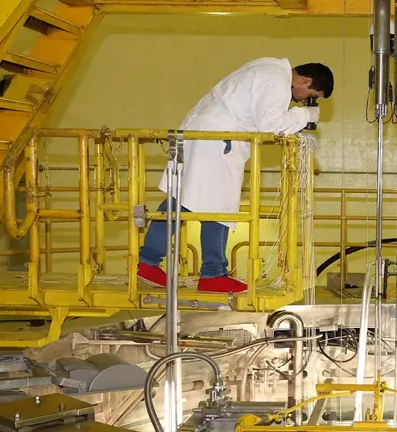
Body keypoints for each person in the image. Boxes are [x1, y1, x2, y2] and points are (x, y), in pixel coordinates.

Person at [137, 59, 333, 293]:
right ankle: (212, 273)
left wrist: (298, 115)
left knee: (183, 200)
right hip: (216, 141)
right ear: (305, 80)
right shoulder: (276, 79)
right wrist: (305, 115)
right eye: (310, 95)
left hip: (201, 135)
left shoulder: (267, 69)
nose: (303, 100)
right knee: (217, 206)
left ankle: (147, 263)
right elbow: (271, 124)